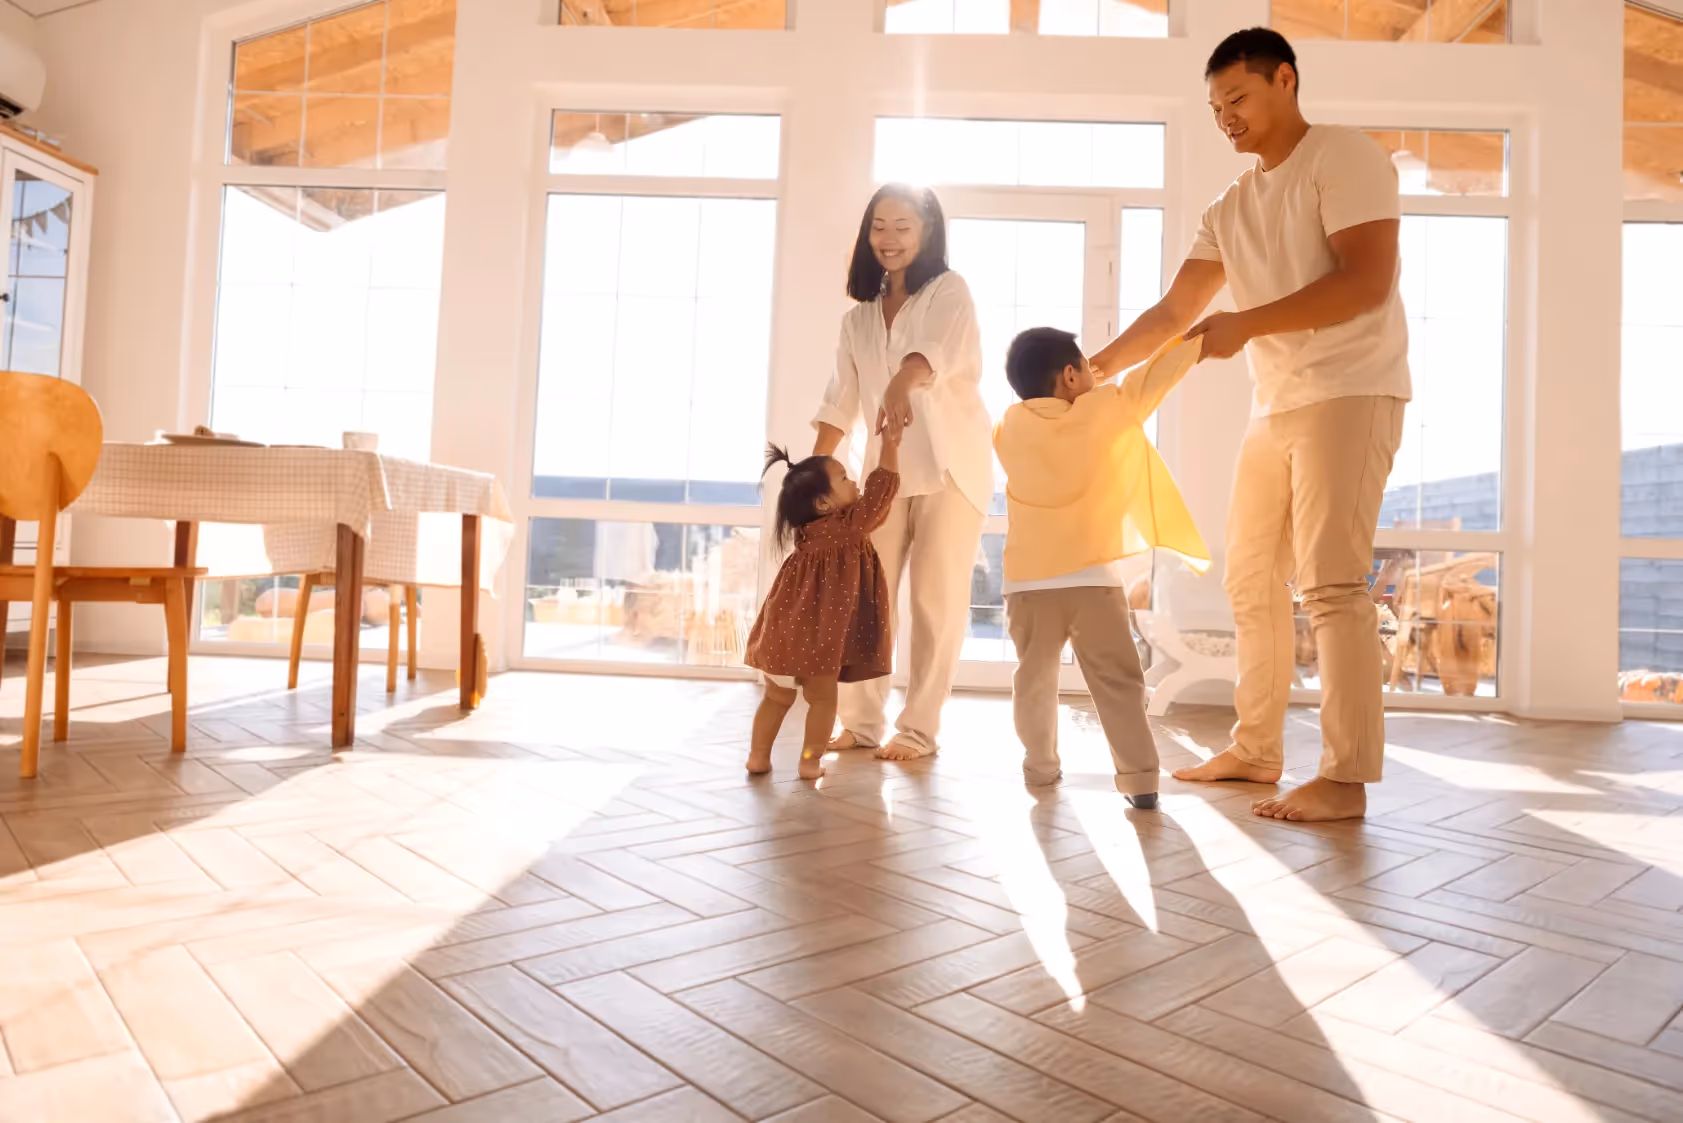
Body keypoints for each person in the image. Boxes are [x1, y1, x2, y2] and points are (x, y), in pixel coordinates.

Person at [1086, 28, 1410, 822]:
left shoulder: (1343, 157)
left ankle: (1345, 777)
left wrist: (1246, 324)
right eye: (1213, 106)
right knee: (1248, 576)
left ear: (1285, 81)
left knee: (1331, 582)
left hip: (1352, 390)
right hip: (1278, 403)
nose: (1224, 117)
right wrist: (1090, 374)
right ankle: (1256, 747)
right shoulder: (1228, 208)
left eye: (1237, 98)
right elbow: (1172, 313)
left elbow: (1365, 283)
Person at [812, 184, 992, 762]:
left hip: (951, 469)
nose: (889, 239)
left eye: (903, 226)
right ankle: (862, 723)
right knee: (865, 600)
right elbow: (840, 401)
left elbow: (932, 355)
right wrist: (816, 471)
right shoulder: (856, 320)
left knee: (934, 605)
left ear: (928, 232)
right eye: (878, 227)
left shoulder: (950, 291)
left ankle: (917, 730)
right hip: (883, 478)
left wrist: (899, 381)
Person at [996, 327, 1210, 808]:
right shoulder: (1104, 410)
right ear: (1070, 375)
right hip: (1091, 580)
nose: (1097, 377)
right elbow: (1150, 380)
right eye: (1088, 369)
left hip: (1026, 583)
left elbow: (1049, 404)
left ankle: (1040, 767)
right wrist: (1193, 341)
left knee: (1034, 680)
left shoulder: (1007, 426)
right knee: (1118, 683)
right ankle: (1140, 780)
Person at [742, 422, 903, 781]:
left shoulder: (807, 536)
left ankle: (757, 758)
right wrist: (890, 447)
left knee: (776, 699)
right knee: (823, 701)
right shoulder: (848, 527)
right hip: (819, 642)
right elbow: (880, 494)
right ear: (824, 503)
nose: (854, 483)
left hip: (782, 635)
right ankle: (810, 761)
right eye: (845, 479)